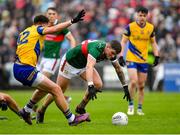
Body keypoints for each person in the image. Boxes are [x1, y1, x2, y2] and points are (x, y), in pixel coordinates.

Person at [13, 9, 89, 126]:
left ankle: (26, 110)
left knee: (45, 87)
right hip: (26, 69)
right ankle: (72, 119)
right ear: (42, 24)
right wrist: (72, 21)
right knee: (56, 89)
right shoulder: (39, 29)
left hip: (18, 67)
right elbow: (53, 29)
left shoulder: (25, 31)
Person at [36, 39, 131, 123]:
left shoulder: (110, 54)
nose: (113, 56)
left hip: (83, 65)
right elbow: (90, 66)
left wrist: (125, 86)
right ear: (107, 46)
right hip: (70, 63)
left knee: (98, 84)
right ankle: (41, 110)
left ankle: (81, 107)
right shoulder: (97, 48)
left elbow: (118, 69)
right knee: (58, 90)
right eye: (112, 53)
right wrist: (90, 85)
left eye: (115, 54)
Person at [119, 6, 160, 115]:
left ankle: (140, 108)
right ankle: (131, 105)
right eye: (140, 15)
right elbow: (123, 42)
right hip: (131, 58)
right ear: (137, 15)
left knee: (141, 86)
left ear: (147, 16)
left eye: (144, 16)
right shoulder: (130, 27)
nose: (142, 17)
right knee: (133, 82)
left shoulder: (151, 28)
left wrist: (157, 56)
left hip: (143, 60)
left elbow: (153, 43)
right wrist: (121, 56)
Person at [35, 7, 76, 108]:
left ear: (57, 16)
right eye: (49, 14)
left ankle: (31, 107)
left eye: (53, 14)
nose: (51, 16)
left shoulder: (60, 27)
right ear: (46, 15)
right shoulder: (43, 27)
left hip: (53, 59)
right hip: (43, 58)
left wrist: (72, 53)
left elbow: (72, 39)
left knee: (42, 82)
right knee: (38, 84)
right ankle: (62, 96)